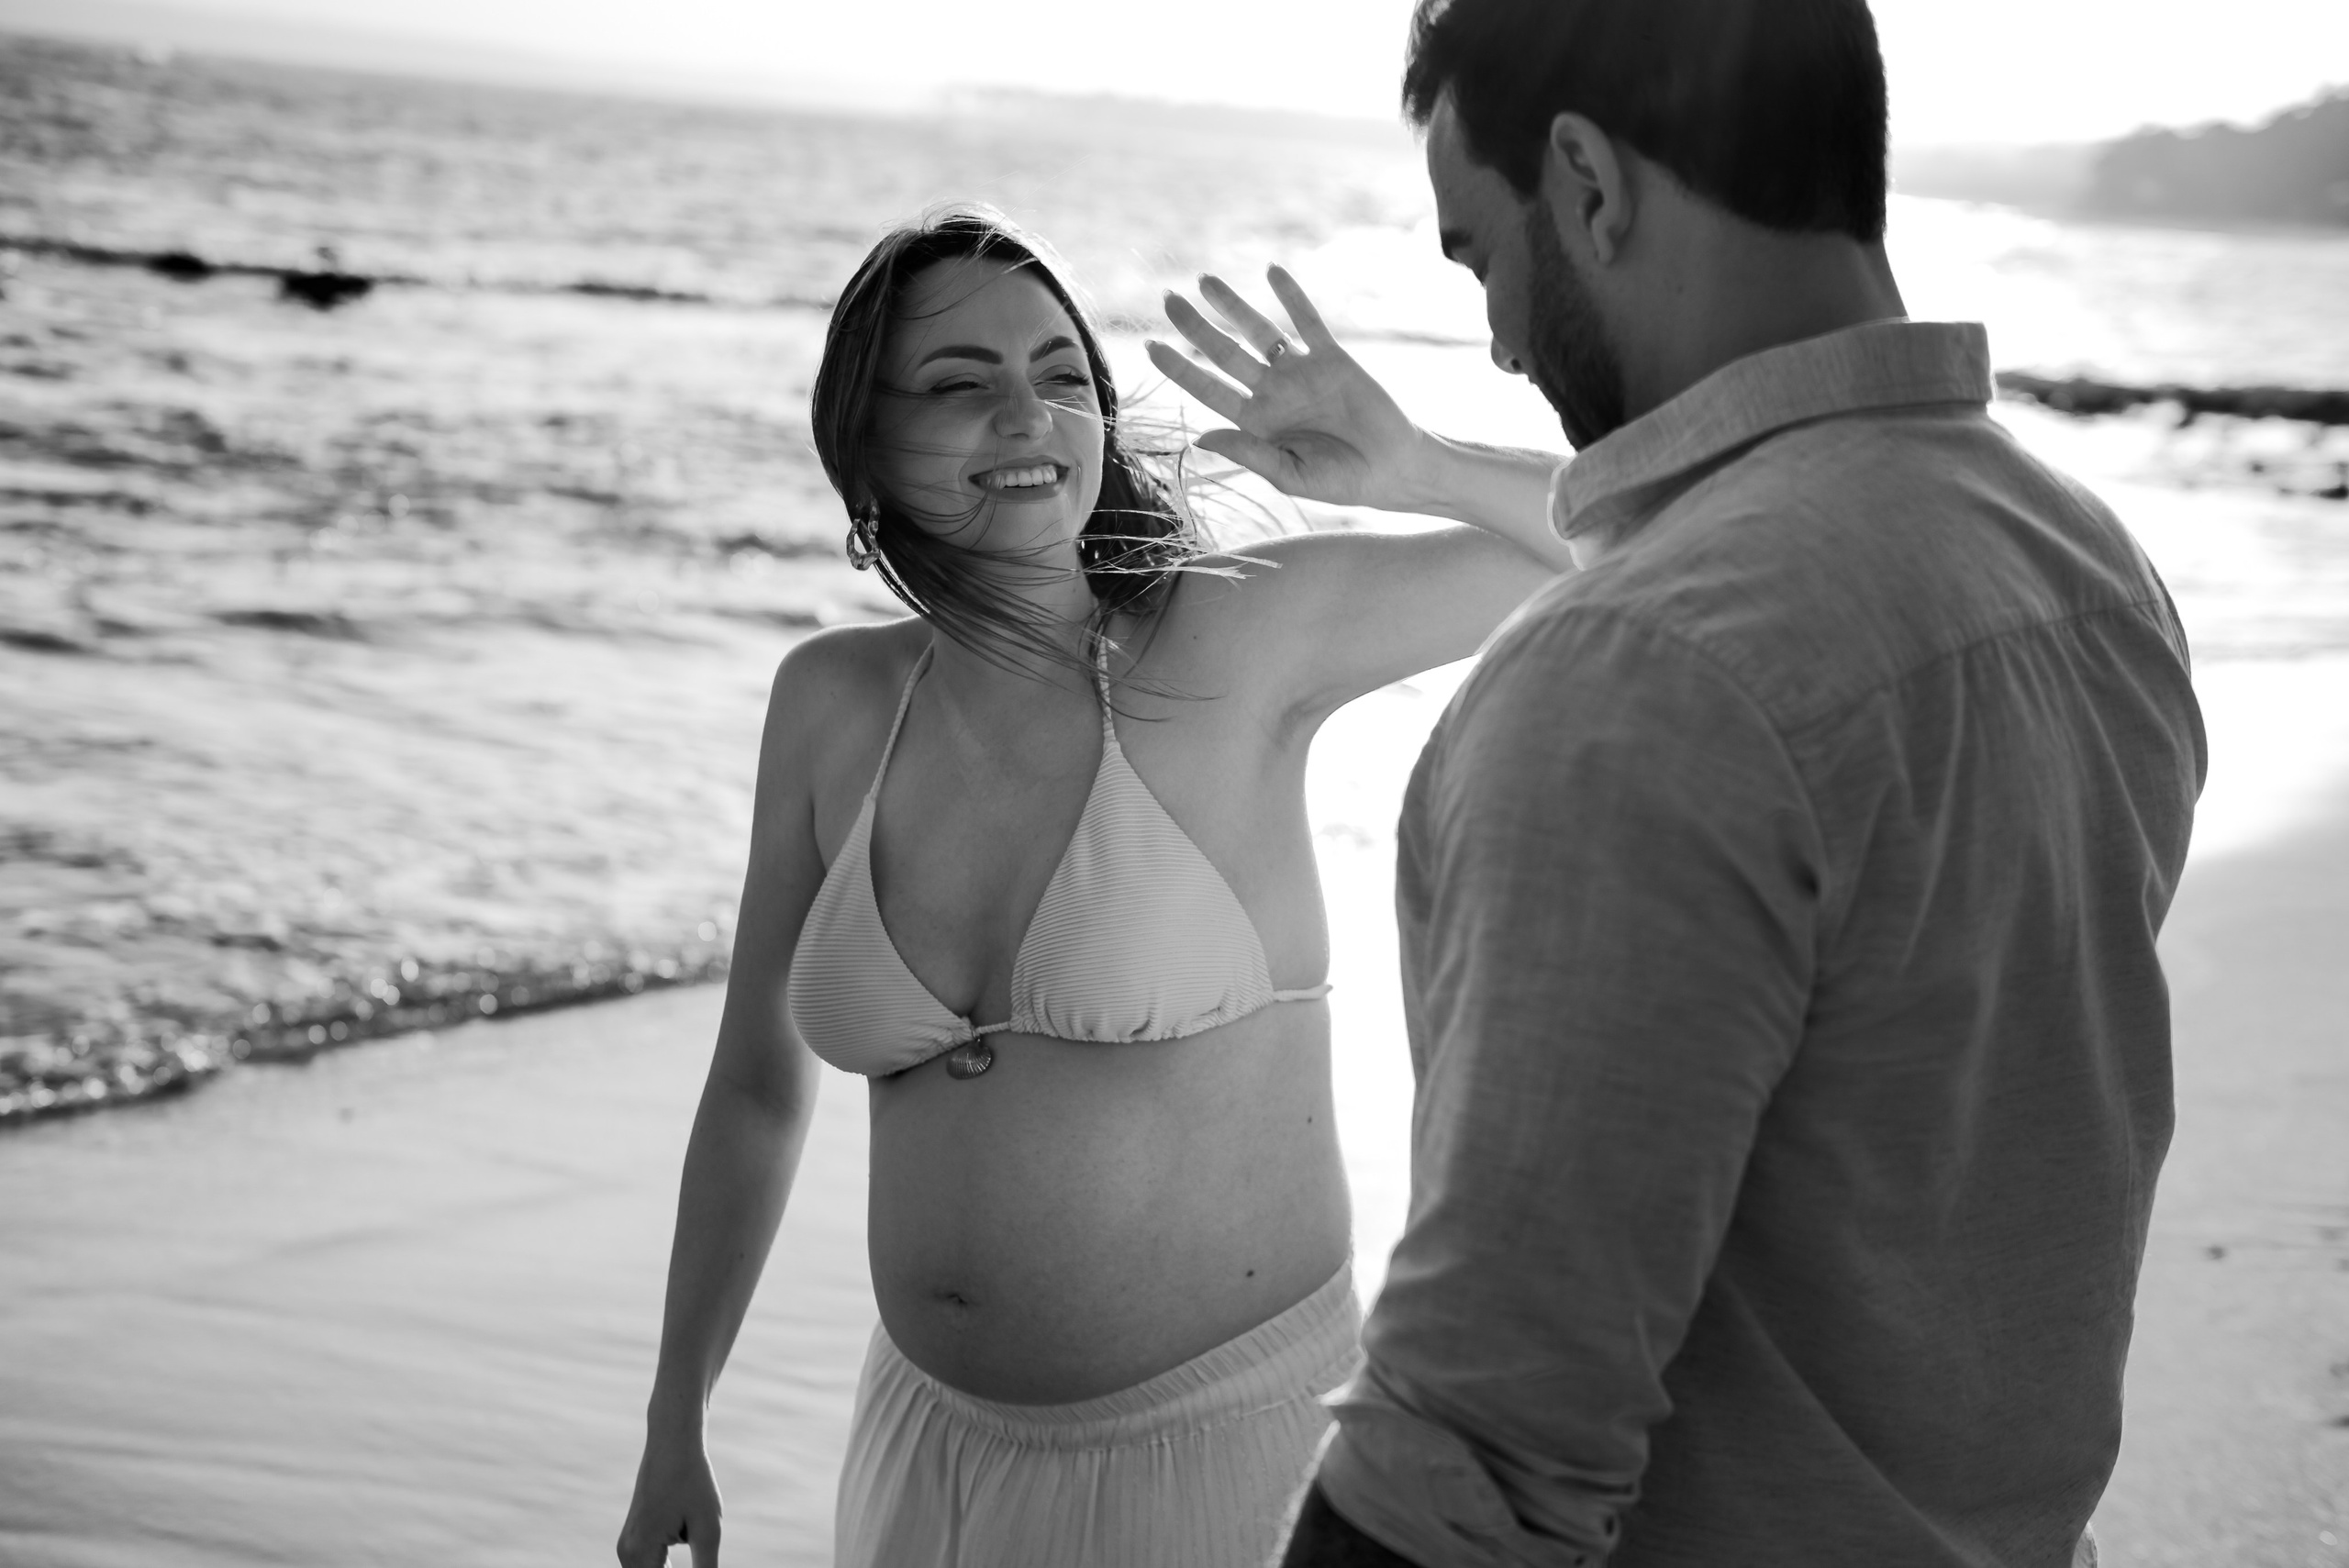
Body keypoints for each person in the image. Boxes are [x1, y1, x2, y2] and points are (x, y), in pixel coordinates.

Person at [1169, 1, 2203, 1564]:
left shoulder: (1634, 685)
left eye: (1478, 256)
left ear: (1587, 182)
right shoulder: (2086, 574)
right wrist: (1425, 469)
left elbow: (1477, 1468)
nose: (1504, 337)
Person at [612, 209, 1574, 1568]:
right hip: (924, 1457)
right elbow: (759, 1091)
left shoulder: (1232, 639)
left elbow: (1641, 535)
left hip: (1226, 1468)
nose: (1028, 415)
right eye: (960, 383)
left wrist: (1415, 461)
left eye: (1063, 375)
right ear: (865, 441)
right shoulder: (829, 705)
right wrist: (673, 1418)